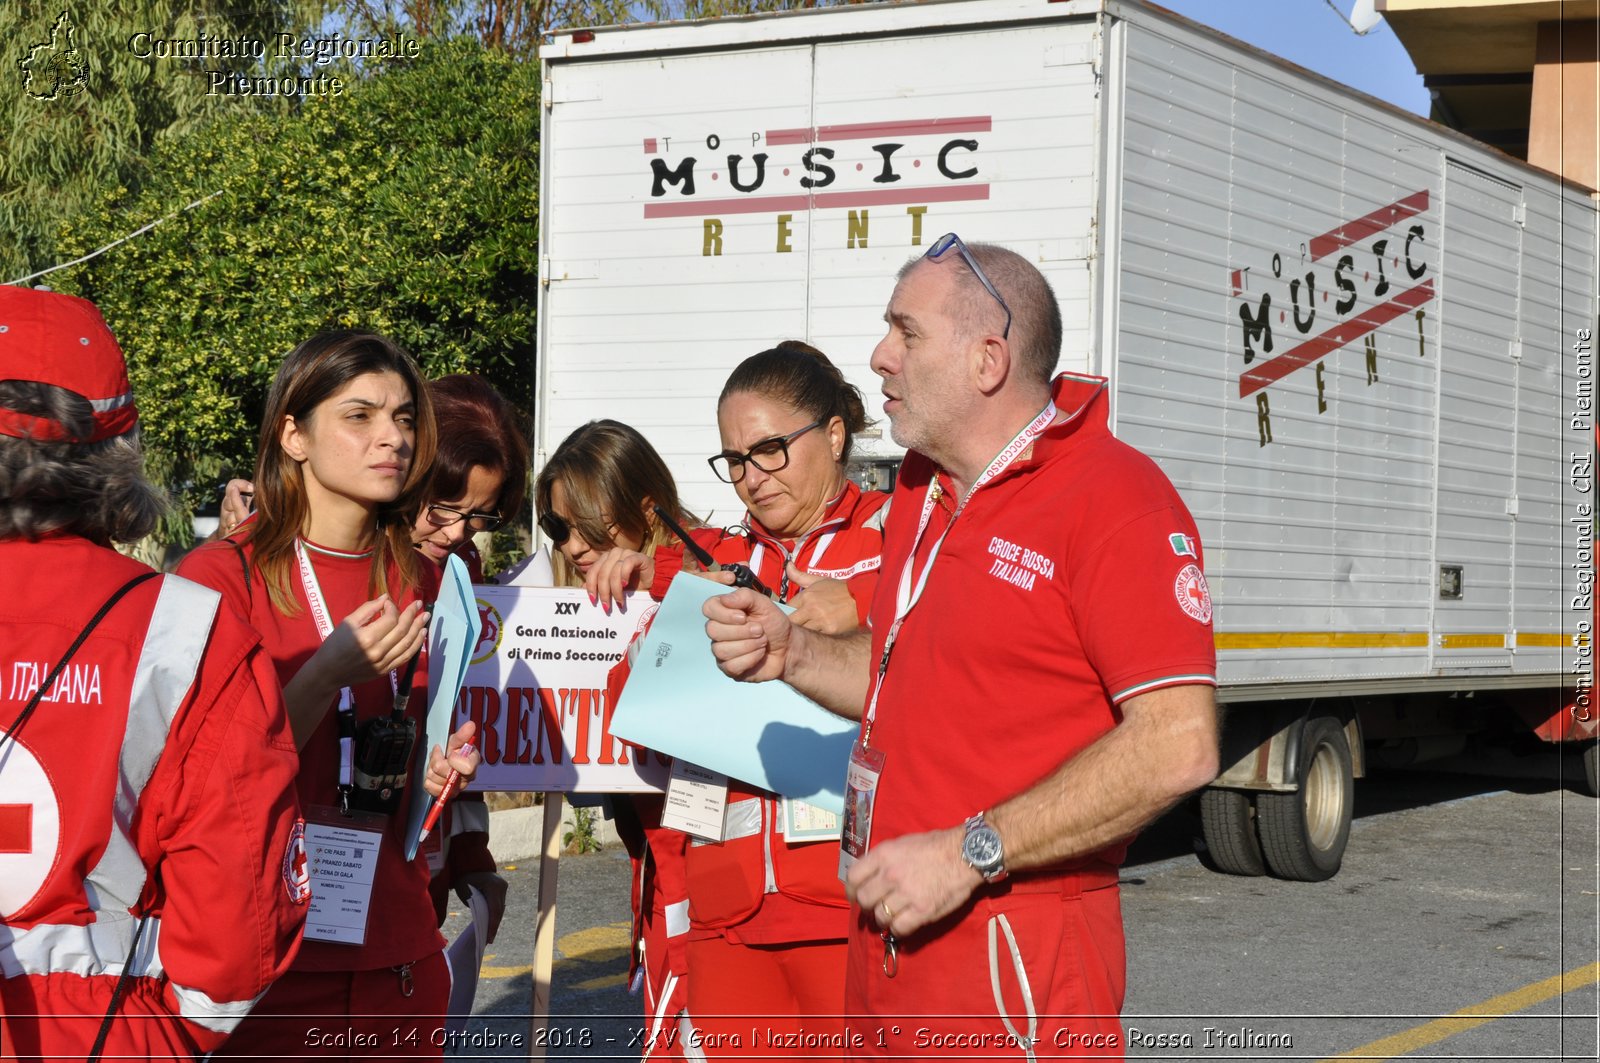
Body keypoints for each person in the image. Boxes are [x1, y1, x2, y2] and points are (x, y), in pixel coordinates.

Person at [703, 237, 1221, 1060]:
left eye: (906, 333)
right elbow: (900, 683)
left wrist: (969, 852)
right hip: (891, 946)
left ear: (988, 359)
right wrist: (792, 652)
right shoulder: (920, 484)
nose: (879, 357)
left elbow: (1179, 744)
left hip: (1015, 957)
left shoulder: (1115, 498)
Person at [0, 286, 306, 1061]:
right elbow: (238, 930)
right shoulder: (189, 630)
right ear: (116, 454)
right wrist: (167, 1036)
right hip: (104, 1028)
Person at [177, 330, 480, 1058]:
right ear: (294, 434)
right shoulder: (217, 581)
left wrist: (439, 770)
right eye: (361, 416)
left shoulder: (428, 578)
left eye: (405, 418)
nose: (393, 439)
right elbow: (198, 782)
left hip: (397, 958)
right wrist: (323, 676)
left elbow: (411, 747)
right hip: (264, 970)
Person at [591, 344, 891, 1056]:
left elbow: (952, 642)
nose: (752, 478)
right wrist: (646, 634)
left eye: (769, 450)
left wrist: (857, 604)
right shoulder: (707, 559)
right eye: (735, 460)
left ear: (835, 435)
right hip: (726, 906)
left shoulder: (898, 535)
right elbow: (630, 714)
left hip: (853, 899)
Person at [533, 418, 698, 1058]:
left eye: (586, 524)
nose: (572, 544)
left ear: (645, 507)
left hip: (712, 877)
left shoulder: (699, 569)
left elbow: (755, 580)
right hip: (657, 876)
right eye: (557, 526)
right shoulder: (582, 605)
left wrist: (660, 570)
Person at [408, 374, 528, 945]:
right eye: (441, 507)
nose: (457, 532)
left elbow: (461, 717)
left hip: (422, 857)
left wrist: (472, 854)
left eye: (479, 516)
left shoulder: (463, 568)